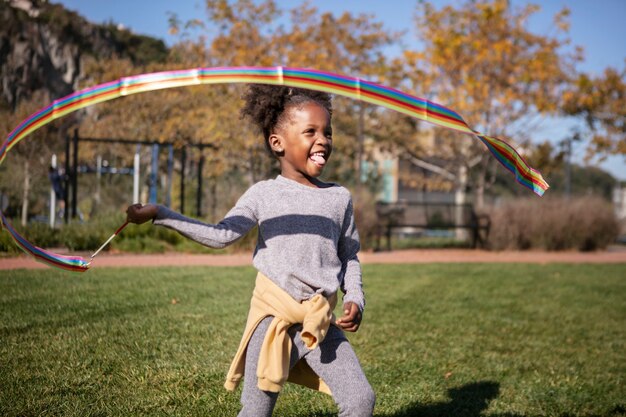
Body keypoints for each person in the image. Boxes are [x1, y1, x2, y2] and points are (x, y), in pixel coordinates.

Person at [126, 84, 375, 416]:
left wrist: (355, 297)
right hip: (273, 319)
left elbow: (349, 255)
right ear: (278, 142)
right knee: (255, 411)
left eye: (327, 132)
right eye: (311, 131)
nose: (324, 140)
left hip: (319, 320)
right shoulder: (263, 194)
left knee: (361, 400)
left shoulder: (338, 197)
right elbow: (221, 235)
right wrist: (161, 214)